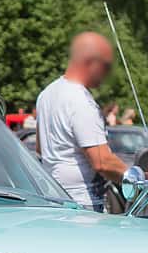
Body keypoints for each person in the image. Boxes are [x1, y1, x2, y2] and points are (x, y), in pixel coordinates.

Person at [35, 31, 127, 208]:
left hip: (52, 198)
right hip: (82, 205)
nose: (107, 73)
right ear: (90, 62)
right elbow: (102, 162)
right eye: (106, 66)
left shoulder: (47, 94)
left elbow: (41, 148)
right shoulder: (82, 102)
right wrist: (140, 178)